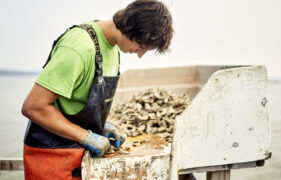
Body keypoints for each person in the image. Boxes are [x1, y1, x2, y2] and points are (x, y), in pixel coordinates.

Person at [21, 0, 173, 179]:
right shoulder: (78, 48)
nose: (140, 55)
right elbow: (33, 107)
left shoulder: (113, 48)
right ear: (130, 27)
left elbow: (78, 102)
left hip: (79, 159)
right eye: (141, 46)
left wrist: (100, 128)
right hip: (52, 159)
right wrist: (87, 137)